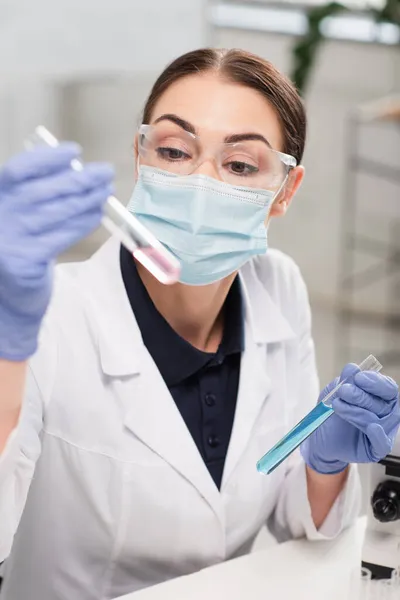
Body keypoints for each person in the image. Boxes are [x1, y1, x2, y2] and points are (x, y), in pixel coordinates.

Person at [0, 48, 399, 600]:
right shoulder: (45, 318)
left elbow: (294, 524)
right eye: (173, 150)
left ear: (284, 191)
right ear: (140, 160)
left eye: (239, 164)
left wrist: (322, 463)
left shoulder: (278, 289)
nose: (201, 183)